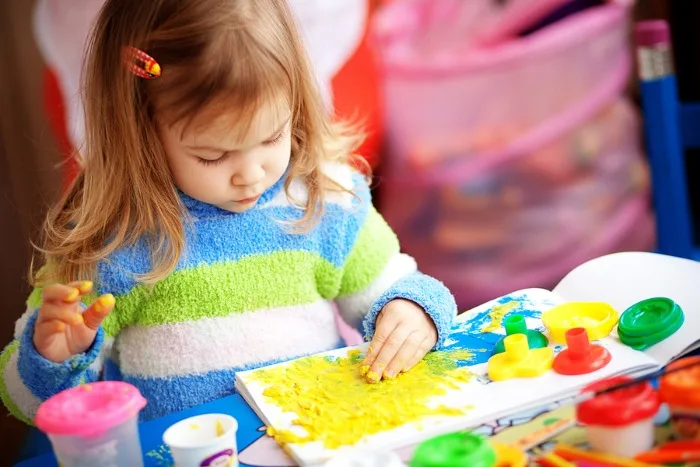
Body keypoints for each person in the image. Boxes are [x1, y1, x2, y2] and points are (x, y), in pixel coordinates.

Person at [1, 0, 456, 430]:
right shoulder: (113, 241)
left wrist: (412, 309)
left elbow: (395, 287)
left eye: (273, 136)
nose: (251, 175)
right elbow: (29, 402)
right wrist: (51, 358)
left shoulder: (323, 199)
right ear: (139, 133)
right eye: (213, 155)